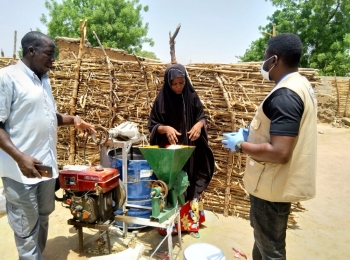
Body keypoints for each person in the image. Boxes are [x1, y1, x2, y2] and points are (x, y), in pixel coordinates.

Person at [0, 31, 95, 260]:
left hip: (45, 167)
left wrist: (73, 120)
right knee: (26, 226)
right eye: (49, 55)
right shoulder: (7, 78)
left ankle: (37, 255)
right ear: (31, 51)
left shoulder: (43, 79)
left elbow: (48, 116)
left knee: (43, 215)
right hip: (20, 171)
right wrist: (20, 157)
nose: (53, 60)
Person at [222, 33, 317, 259]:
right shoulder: (300, 84)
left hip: (271, 188)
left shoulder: (286, 94)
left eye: (264, 57)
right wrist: (254, 134)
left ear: (274, 60)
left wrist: (241, 145)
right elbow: (282, 132)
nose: (262, 62)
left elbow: (280, 152)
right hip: (275, 184)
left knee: (271, 250)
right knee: (264, 243)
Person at [148, 63, 214, 238]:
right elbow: (153, 125)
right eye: (174, 84)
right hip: (170, 153)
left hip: (190, 151)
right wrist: (166, 129)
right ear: (168, 83)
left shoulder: (191, 97)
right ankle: (170, 226)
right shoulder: (161, 100)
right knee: (171, 184)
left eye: (181, 83)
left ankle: (190, 224)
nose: (178, 87)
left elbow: (202, 117)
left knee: (190, 182)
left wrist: (199, 126)